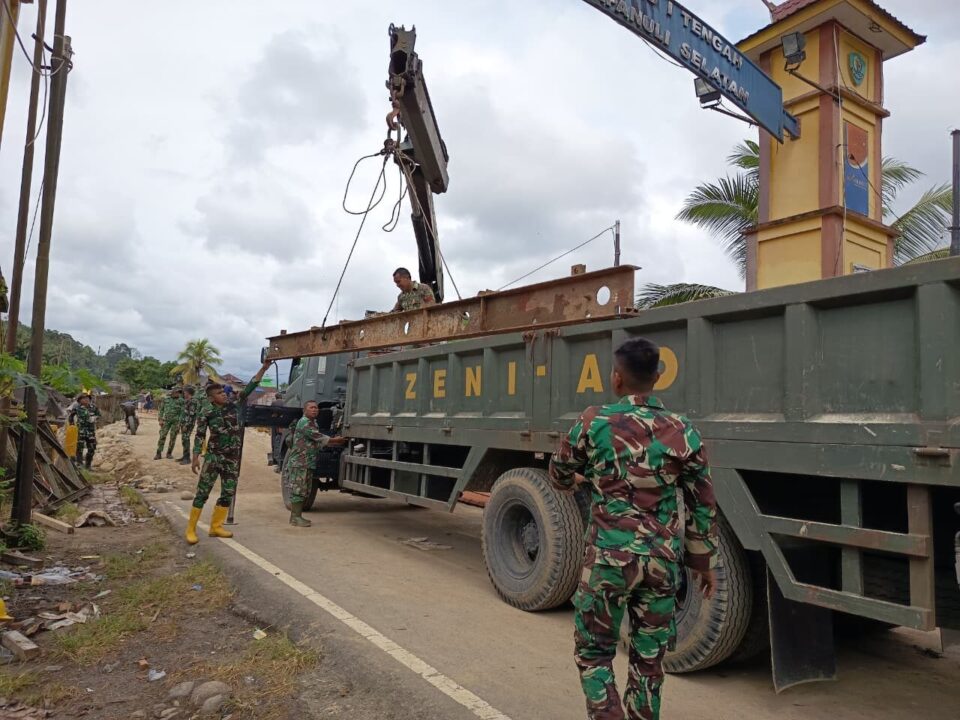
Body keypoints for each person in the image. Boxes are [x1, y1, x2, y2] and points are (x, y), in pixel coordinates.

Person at [548, 338, 718, 720]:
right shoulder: (683, 431)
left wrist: (583, 479)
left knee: (593, 654)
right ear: (658, 377)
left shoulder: (594, 421)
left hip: (609, 561)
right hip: (661, 566)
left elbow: (559, 473)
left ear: (616, 379)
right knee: (649, 660)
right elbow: (701, 502)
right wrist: (703, 562)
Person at [185, 359, 272, 544]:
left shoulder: (234, 404)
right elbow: (200, 435)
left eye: (223, 392)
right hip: (214, 457)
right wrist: (195, 457)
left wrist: (263, 369)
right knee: (203, 492)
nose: (223, 395)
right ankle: (191, 529)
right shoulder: (206, 412)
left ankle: (216, 526)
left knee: (228, 492)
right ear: (211, 398)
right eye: (219, 393)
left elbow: (250, 387)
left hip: (232, 459)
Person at [282, 400, 346, 527]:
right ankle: (295, 518)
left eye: (316, 408)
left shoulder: (313, 422)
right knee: (298, 490)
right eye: (311, 407)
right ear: (305, 410)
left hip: (307, 462)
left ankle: (297, 517)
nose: (315, 410)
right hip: (300, 462)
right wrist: (336, 440)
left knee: (304, 490)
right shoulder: (305, 422)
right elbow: (319, 437)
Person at [69, 393, 101, 469]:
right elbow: (71, 417)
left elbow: (99, 415)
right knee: (79, 448)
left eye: (87, 398)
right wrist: (72, 425)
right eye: (84, 398)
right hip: (81, 431)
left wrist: (95, 418)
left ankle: (88, 465)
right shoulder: (77, 408)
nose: (86, 400)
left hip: (90, 431)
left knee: (92, 448)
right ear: (80, 401)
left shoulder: (94, 407)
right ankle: (79, 464)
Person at [155, 388, 183, 460]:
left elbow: (182, 412)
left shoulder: (181, 401)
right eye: (177, 392)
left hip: (176, 422)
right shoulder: (166, 399)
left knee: (173, 437)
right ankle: (158, 453)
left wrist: (179, 423)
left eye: (179, 393)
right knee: (162, 436)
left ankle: (169, 453)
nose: (178, 394)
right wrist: (160, 419)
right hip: (166, 421)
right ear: (172, 392)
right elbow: (161, 409)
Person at [178, 387, 198, 465]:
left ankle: (187, 458)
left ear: (188, 393)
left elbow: (191, 415)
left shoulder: (193, 401)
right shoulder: (187, 401)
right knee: (184, 439)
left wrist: (186, 425)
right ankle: (184, 456)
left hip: (188, 424)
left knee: (186, 439)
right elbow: (184, 413)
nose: (184, 393)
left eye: (185, 392)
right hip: (184, 423)